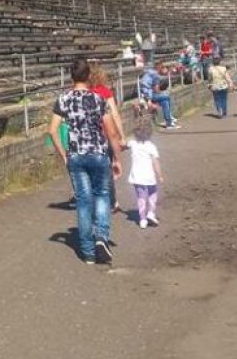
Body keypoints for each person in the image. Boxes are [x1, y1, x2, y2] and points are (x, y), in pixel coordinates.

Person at [48, 59, 123, 265]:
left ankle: (88, 252)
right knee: (102, 196)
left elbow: (52, 130)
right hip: (98, 153)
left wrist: (64, 154)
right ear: (89, 75)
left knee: (83, 201)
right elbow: (111, 131)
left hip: (76, 155)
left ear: (71, 76)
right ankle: (101, 238)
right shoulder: (98, 99)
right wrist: (116, 157)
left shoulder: (63, 100)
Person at [89, 65, 126, 213]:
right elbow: (115, 115)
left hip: (90, 137)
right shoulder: (105, 92)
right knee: (107, 169)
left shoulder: (86, 93)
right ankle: (112, 202)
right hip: (105, 135)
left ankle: (95, 199)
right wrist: (121, 136)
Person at [128, 112, 164, 229]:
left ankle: (142, 219)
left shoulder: (132, 144)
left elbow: (123, 143)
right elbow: (155, 162)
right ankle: (151, 213)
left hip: (137, 177)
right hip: (149, 177)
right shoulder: (151, 146)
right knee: (153, 194)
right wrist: (160, 175)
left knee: (141, 197)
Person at [140, 64, 179, 129]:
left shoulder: (150, 72)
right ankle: (169, 119)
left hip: (146, 93)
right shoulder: (155, 75)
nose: (166, 71)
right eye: (165, 69)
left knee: (165, 102)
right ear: (160, 68)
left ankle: (168, 122)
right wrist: (161, 93)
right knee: (167, 97)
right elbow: (156, 89)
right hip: (147, 95)